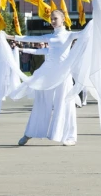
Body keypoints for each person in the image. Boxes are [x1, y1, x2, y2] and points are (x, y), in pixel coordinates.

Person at [5, 10, 79, 146]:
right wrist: (11, 37)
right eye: (51, 19)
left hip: (63, 75)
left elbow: (86, 33)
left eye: (55, 18)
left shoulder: (70, 35)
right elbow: (30, 39)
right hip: (48, 74)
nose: (52, 21)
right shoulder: (49, 37)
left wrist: (98, 23)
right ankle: (29, 133)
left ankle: (70, 136)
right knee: (41, 102)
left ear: (63, 19)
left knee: (65, 103)